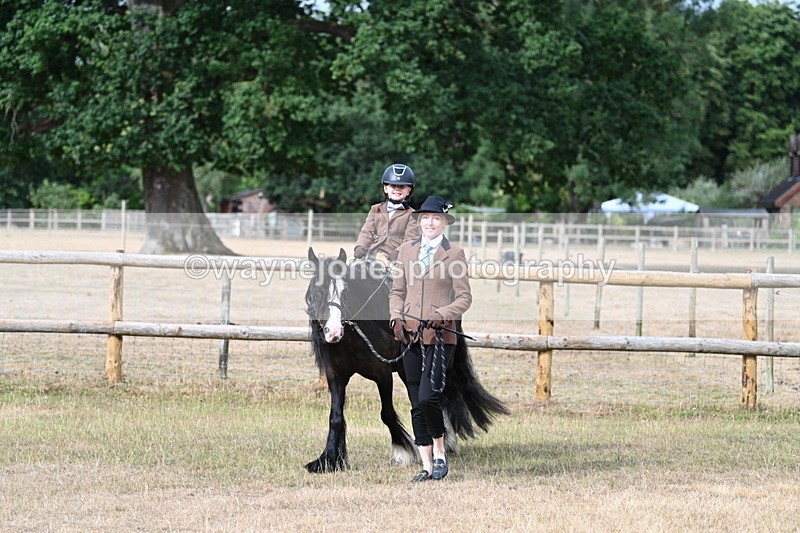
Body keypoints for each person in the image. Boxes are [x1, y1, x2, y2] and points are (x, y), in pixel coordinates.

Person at [388, 195, 472, 482]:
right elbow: (397, 291)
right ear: (420, 221)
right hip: (409, 334)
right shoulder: (406, 250)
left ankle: (440, 451)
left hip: (439, 336)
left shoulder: (454, 254)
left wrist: (443, 313)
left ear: (444, 222)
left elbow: (464, 297)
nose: (430, 223)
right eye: (426, 218)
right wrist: (395, 317)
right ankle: (426, 465)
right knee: (415, 400)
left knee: (428, 397)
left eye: (436, 218)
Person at [353, 164, 420, 264]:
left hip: (395, 259)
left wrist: (398, 253)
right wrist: (360, 246)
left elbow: (410, 240)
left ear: (408, 191)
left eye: (402, 187)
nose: (397, 189)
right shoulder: (375, 209)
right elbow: (367, 232)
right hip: (372, 254)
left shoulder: (412, 214)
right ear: (385, 188)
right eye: (393, 186)